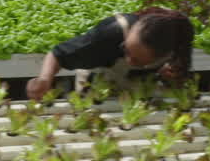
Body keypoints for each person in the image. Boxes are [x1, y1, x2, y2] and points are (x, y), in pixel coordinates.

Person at [26, 8, 195, 101]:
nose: (129, 60)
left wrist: (169, 75)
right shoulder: (108, 34)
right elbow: (58, 54)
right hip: (96, 85)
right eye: (126, 50)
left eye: (137, 60)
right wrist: (44, 80)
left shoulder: (176, 38)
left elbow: (178, 73)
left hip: (138, 92)